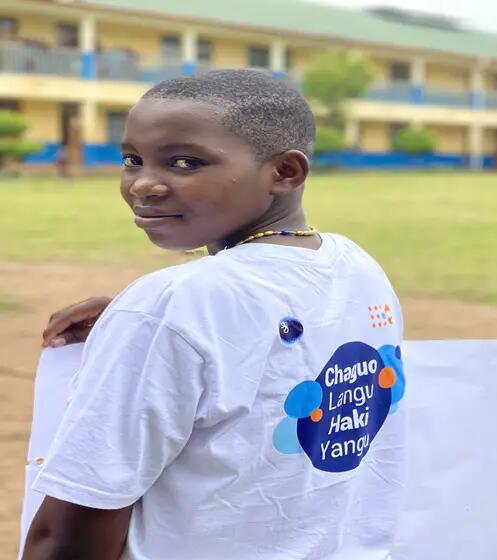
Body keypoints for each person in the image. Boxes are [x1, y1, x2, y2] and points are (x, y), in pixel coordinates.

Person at [25, 69, 407, 559]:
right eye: (131, 160)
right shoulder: (355, 265)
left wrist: (154, 323)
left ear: (285, 172)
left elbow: (69, 534)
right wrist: (146, 324)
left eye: (185, 163)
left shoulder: (175, 304)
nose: (143, 184)